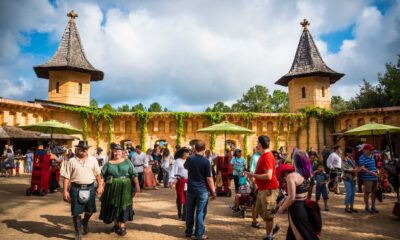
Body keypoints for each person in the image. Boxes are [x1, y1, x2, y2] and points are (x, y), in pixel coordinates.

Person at [63, 141, 103, 240]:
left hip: (90, 188)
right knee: (76, 212)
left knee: (90, 210)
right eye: (81, 148)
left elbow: (98, 175)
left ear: (87, 149)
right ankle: (78, 233)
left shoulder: (93, 160)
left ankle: (85, 221)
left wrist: (100, 186)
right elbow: (66, 177)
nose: (83, 150)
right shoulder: (71, 161)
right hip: (75, 188)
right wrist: (65, 191)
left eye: (85, 148)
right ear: (77, 149)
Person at [99, 144, 140, 236]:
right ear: (112, 152)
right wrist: (100, 186)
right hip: (112, 187)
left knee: (124, 205)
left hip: (125, 187)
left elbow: (134, 174)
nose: (117, 153)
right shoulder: (108, 163)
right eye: (115, 151)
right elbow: (102, 175)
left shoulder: (127, 162)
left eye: (119, 151)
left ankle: (122, 226)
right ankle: (116, 224)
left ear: (122, 153)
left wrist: (137, 185)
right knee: (113, 205)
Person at [278, 150, 319, 240]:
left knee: (300, 235)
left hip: (296, 208)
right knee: (296, 233)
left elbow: (291, 197)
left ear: (295, 161)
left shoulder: (291, 176)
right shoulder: (308, 174)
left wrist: (282, 208)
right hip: (304, 205)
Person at [245, 136, 279, 240]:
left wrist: (253, 175)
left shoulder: (268, 156)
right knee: (260, 210)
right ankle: (273, 228)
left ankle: (269, 237)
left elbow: (268, 176)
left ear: (260, 144)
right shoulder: (263, 155)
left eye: (257, 142)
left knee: (268, 215)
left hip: (269, 189)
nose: (257, 144)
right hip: (262, 189)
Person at [184, 140, 216, 240]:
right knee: (200, 212)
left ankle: (188, 232)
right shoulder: (206, 161)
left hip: (190, 190)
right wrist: (213, 191)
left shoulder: (190, 159)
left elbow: (185, 167)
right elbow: (209, 178)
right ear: (204, 149)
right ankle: (199, 234)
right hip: (202, 190)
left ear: (195, 148)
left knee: (189, 211)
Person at [169, 147, 190, 221]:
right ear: (182, 153)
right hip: (180, 182)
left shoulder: (189, 160)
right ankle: (179, 212)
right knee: (179, 198)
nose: (187, 154)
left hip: (188, 182)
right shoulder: (177, 161)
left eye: (188, 152)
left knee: (187, 198)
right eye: (186, 152)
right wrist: (171, 180)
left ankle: (185, 215)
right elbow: (173, 171)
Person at [358, 144, 379, 213]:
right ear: (365, 150)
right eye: (370, 149)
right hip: (367, 178)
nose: (371, 150)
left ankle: (373, 206)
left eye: (371, 149)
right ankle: (367, 206)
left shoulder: (372, 156)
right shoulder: (362, 157)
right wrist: (371, 172)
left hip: (375, 177)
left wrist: (377, 170)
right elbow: (362, 168)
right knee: (367, 192)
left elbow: (374, 165)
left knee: (374, 192)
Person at [342, 147, 359, 213]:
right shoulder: (345, 159)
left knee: (353, 193)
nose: (353, 153)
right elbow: (344, 168)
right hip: (347, 177)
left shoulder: (352, 159)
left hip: (352, 178)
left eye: (353, 152)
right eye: (351, 152)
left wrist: (355, 170)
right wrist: (354, 170)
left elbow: (354, 167)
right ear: (347, 153)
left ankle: (351, 207)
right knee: (349, 193)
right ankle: (347, 207)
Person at [249, 146, 261, 228]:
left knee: (258, 202)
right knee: (255, 202)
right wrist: (255, 183)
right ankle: (254, 220)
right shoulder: (255, 158)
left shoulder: (261, 156)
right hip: (256, 184)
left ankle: (256, 217)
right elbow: (251, 172)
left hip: (260, 183)